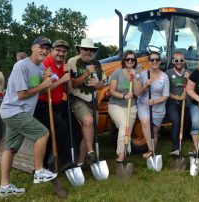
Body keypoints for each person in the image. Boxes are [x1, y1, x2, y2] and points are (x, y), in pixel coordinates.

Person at [0, 36, 57, 197]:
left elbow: (39, 89)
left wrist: (46, 81)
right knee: (43, 133)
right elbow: (22, 94)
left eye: (47, 48)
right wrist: (43, 84)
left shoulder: (40, 67)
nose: (44, 51)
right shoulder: (21, 66)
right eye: (41, 47)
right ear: (33, 47)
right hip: (15, 110)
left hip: (18, 112)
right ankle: (39, 171)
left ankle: (4, 187)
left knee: (10, 149)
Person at [34, 39, 72, 171]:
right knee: (59, 129)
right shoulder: (45, 64)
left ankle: (49, 166)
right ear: (52, 51)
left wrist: (68, 75)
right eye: (58, 50)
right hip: (42, 104)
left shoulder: (64, 66)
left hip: (56, 104)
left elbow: (69, 90)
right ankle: (63, 163)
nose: (61, 53)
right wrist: (61, 80)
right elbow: (42, 90)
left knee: (71, 126)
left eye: (64, 51)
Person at [68, 38, 106, 166]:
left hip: (93, 101)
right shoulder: (72, 62)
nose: (88, 52)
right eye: (85, 49)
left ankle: (80, 162)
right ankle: (91, 151)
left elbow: (101, 84)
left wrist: (97, 84)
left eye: (91, 50)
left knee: (88, 132)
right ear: (80, 50)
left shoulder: (97, 63)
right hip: (78, 100)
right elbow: (72, 84)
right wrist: (87, 74)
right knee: (88, 121)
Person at [108, 50, 142, 162]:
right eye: (128, 59)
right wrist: (124, 96)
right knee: (124, 125)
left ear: (135, 61)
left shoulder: (136, 74)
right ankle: (121, 154)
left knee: (128, 129)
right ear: (124, 60)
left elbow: (137, 93)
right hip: (116, 105)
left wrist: (135, 77)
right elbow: (112, 91)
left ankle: (126, 151)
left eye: (132, 59)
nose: (130, 61)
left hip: (131, 107)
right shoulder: (117, 72)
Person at [138, 51, 169, 159]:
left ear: (160, 62)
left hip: (158, 107)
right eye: (152, 60)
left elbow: (165, 95)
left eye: (157, 60)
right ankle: (150, 149)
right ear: (149, 62)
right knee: (145, 121)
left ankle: (152, 153)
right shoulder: (143, 75)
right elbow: (138, 92)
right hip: (144, 104)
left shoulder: (164, 77)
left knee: (154, 132)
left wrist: (155, 102)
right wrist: (146, 85)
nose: (154, 61)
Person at [165, 51, 191, 155]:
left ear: (184, 61)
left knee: (185, 124)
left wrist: (188, 80)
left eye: (181, 60)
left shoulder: (189, 73)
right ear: (173, 61)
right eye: (176, 60)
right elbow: (166, 91)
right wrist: (177, 97)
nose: (179, 62)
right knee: (176, 122)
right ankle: (175, 149)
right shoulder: (168, 73)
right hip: (173, 103)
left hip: (186, 102)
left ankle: (180, 140)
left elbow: (193, 88)